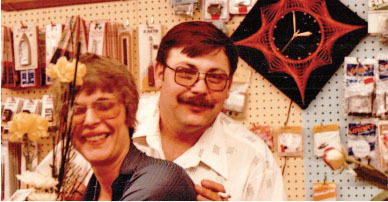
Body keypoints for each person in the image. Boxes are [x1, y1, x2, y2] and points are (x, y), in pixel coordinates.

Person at [132, 21, 287, 201]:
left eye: (215, 77)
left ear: (228, 86)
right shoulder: (116, 126)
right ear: (159, 74)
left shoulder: (255, 160)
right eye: (186, 73)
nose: (200, 89)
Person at [65, 54, 196, 201]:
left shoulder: (160, 183)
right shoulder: (95, 188)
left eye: (104, 107)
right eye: (77, 111)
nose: (90, 120)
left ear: (129, 112)